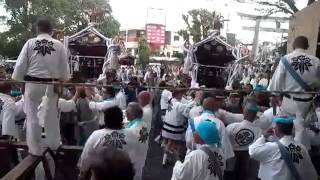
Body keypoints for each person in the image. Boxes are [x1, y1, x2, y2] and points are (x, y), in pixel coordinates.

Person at [12, 17, 70, 155]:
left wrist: (20, 82)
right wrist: (60, 81)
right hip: (51, 84)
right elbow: (64, 72)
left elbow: (20, 67)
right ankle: (54, 144)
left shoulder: (30, 43)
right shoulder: (59, 45)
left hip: (32, 84)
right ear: (52, 31)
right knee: (51, 116)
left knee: (32, 118)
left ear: (37, 29)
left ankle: (35, 149)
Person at [268, 36, 320, 148]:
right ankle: (303, 151)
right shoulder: (316, 61)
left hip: (289, 102)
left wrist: (274, 95)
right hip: (307, 102)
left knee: (286, 127)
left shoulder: (286, 59)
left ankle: (285, 150)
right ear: (307, 46)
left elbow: (278, 79)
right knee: (301, 128)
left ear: (293, 46)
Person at [79, 106, 142, 180]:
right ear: (122, 119)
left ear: (105, 120)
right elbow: (138, 159)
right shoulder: (132, 135)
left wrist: (82, 174)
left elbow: (86, 158)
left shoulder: (96, 135)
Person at [249, 116, 318, 180]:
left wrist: (264, 136)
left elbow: (252, 151)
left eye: (275, 127)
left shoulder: (272, 147)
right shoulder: (302, 147)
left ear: (277, 130)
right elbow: (310, 173)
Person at [186, 96, 234, 160]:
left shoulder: (193, 122)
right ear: (215, 107)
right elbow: (225, 147)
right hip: (213, 159)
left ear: (203, 107)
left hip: (194, 158)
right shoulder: (219, 123)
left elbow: (189, 141)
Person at [226, 97, 262, 180]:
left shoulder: (231, 127)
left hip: (232, 160)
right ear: (255, 115)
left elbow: (225, 144)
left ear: (244, 112)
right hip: (248, 163)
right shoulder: (258, 130)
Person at [126, 102, 149, 179]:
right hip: (141, 155)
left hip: (133, 159)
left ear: (132, 115)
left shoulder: (132, 130)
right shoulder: (143, 124)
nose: (125, 114)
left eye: (127, 112)